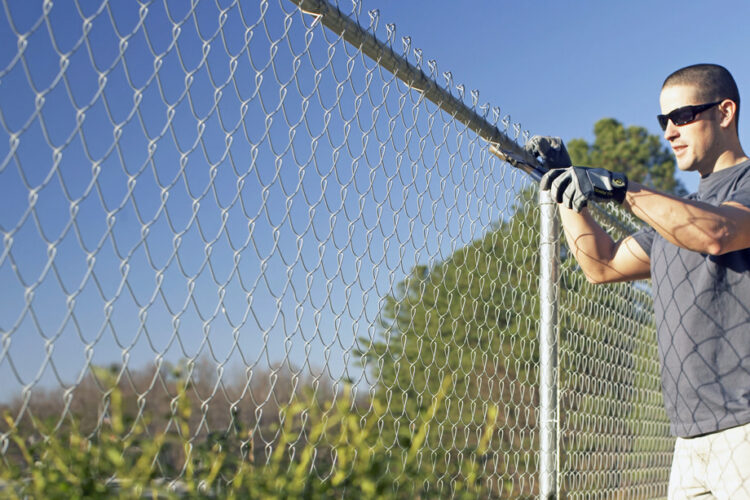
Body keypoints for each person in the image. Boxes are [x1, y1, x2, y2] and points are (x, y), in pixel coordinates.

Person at [526, 64, 750, 499]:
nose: (669, 132)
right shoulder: (674, 213)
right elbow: (603, 265)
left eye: (682, 116)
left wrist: (621, 190)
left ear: (725, 112)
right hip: (687, 442)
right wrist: (565, 190)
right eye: (662, 121)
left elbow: (716, 234)